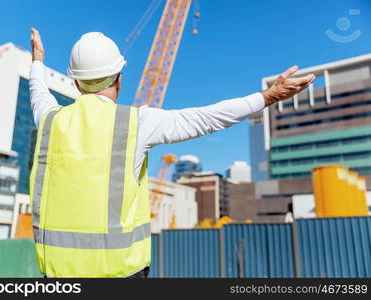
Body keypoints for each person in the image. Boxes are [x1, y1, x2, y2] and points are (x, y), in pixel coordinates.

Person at [29, 28, 315, 278]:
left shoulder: (49, 121)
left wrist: (38, 60)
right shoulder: (135, 122)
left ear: (76, 82)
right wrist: (267, 96)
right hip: (119, 275)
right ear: (119, 78)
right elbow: (206, 118)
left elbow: (38, 92)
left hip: (57, 277)